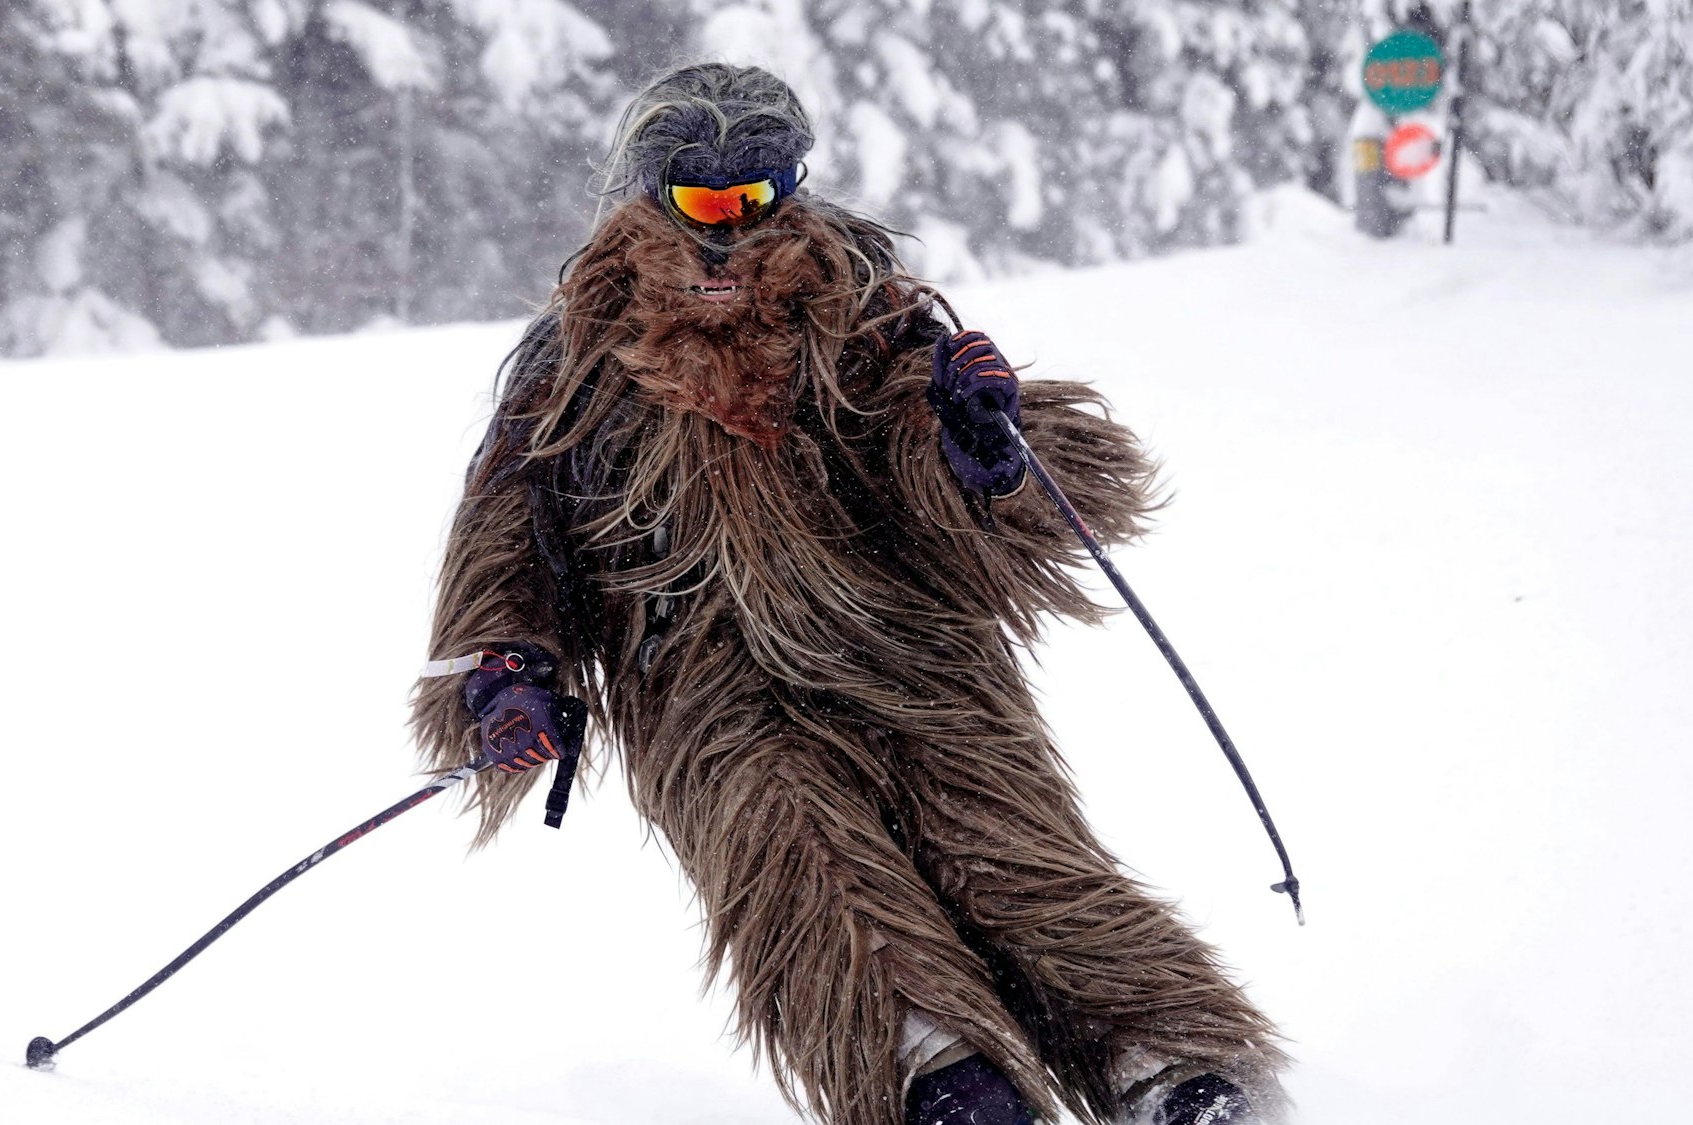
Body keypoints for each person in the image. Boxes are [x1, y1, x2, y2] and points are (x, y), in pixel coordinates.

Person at [411, 63, 1285, 1125]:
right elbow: (506, 543)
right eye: (700, 203)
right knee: (810, 883)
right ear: (646, 193)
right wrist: (506, 671)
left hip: (910, 657)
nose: (727, 238)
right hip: (705, 690)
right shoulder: (574, 370)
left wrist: (990, 454)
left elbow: (996, 486)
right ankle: (939, 1080)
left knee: (1006, 862)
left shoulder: (869, 326)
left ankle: (1164, 1066)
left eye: (756, 200)